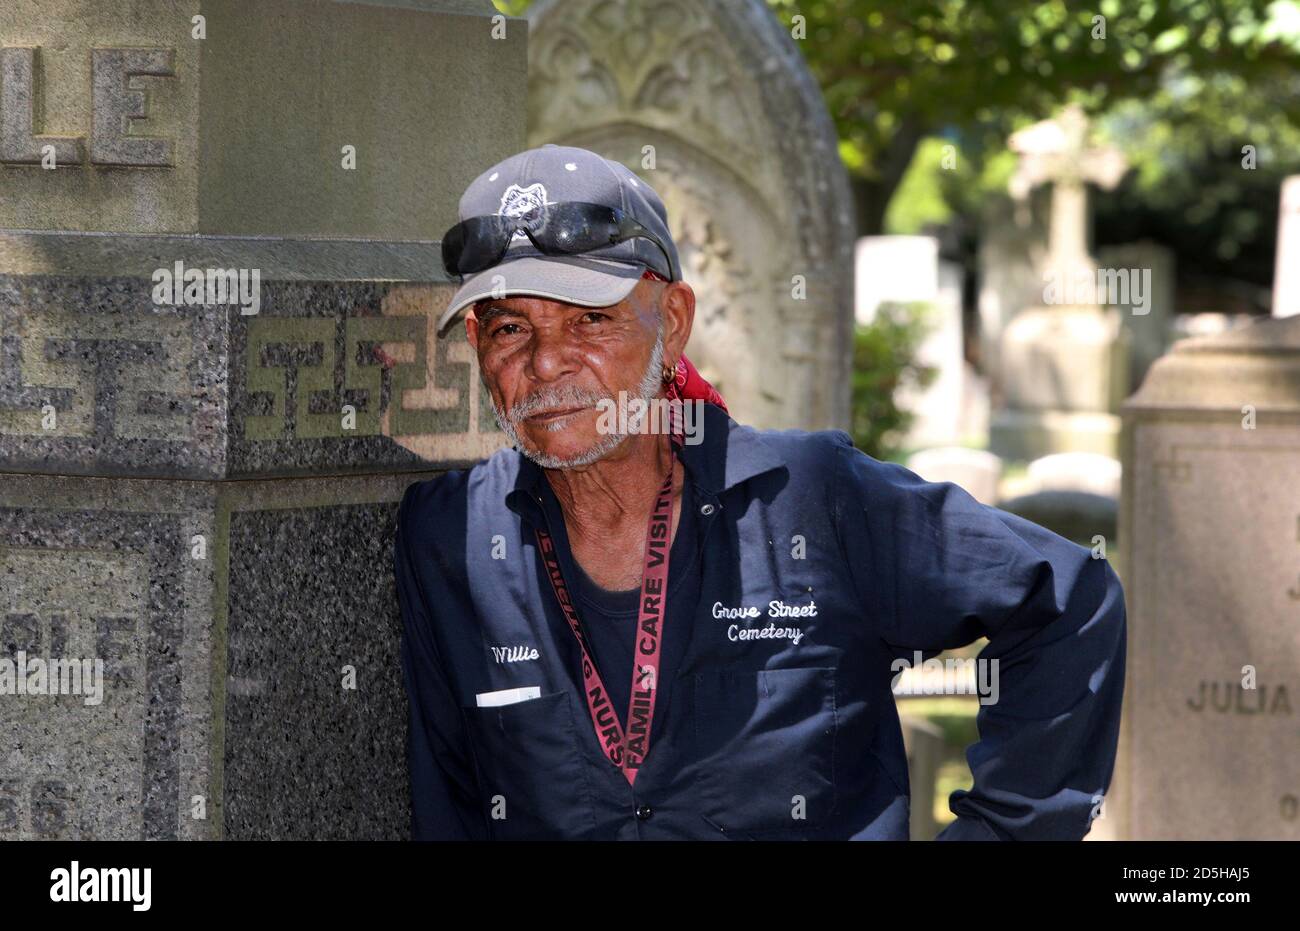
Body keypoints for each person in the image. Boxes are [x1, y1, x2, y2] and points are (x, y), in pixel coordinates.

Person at [394, 143, 1127, 840]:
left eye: (591, 318)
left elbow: (1070, 601)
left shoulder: (813, 499)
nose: (547, 360)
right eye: (509, 327)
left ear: (671, 322)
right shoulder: (450, 539)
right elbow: (448, 800)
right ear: (478, 350)